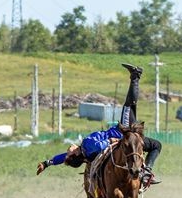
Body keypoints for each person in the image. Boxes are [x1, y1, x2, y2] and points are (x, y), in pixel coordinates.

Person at [36, 63, 164, 188]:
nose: (67, 150)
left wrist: (46, 163)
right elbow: (99, 145)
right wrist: (110, 140)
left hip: (122, 136)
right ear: (75, 154)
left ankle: (146, 171)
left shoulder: (83, 154)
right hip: (122, 133)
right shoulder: (87, 145)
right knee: (129, 105)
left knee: (155, 145)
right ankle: (135, 75)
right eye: (69, 153)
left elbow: (61, 158)